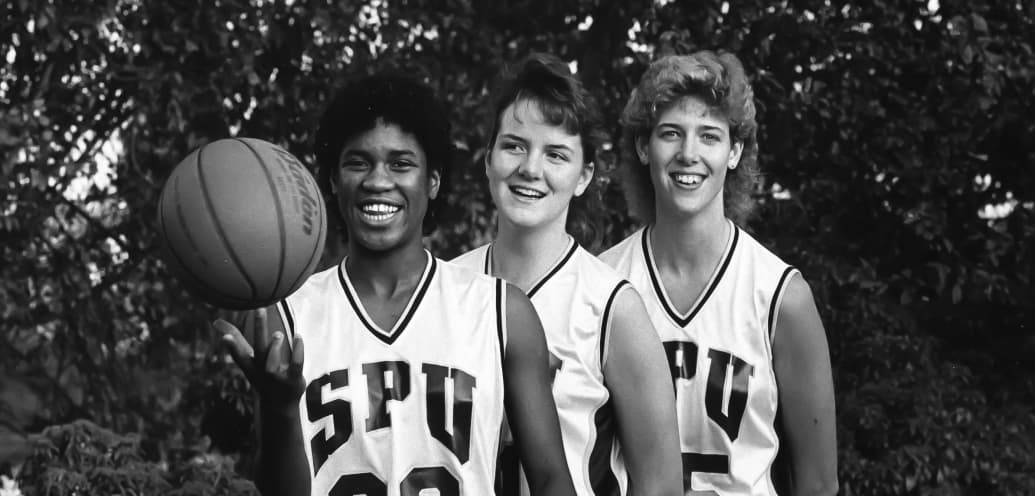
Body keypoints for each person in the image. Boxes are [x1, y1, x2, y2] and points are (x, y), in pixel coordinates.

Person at [213, 72, 577, 496]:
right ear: (332, 180)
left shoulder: (500, 312)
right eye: (357, 162)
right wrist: (279, 409)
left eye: (401, 164)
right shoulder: (289, 315)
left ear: (433, 181)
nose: (378, 181)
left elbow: (552, 480)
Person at [599, 51, 839, 496]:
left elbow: (819, 484)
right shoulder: (600, 285)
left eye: (709, 136)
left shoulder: (781, 296)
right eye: (671, 134)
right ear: (642, 146)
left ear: (735, 152)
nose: (689, 154)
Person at [452, 53, 682, 496]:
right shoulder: (447, 288)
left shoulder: (613, 307)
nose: (530, 168)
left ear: (584, 177)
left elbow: (660, 487)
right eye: (514, 145)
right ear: (488, 160)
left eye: (556, 154)